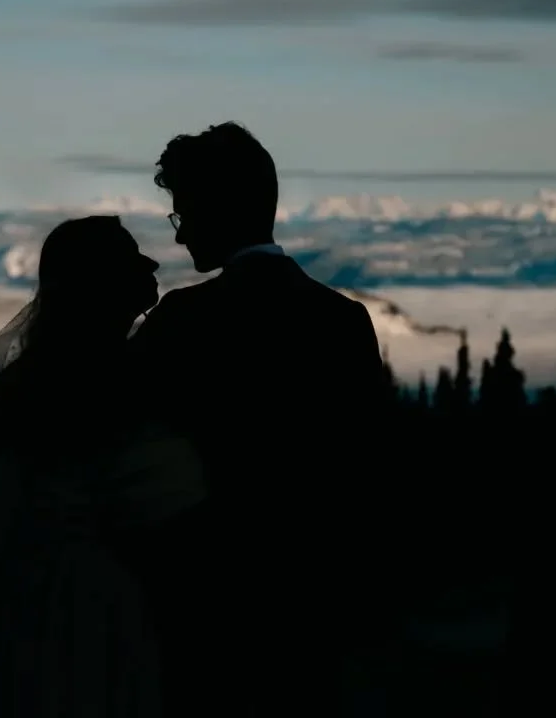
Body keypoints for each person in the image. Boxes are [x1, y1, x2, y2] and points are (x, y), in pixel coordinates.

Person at [125, 122, 390, 718]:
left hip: (203, 608)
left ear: (219, 209)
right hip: (312, 608)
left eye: (183, 212)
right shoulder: (344, 323)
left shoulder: (184, 323)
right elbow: (369, 475)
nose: (180, 233)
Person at [0, 216, 207, 718]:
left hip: (30, 605)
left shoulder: (41, 375)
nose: (150, 280)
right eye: (133, 272)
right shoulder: (113, 384)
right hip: (96, 609)